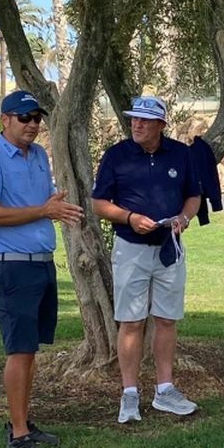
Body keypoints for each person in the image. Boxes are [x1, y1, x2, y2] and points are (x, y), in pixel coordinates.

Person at [0, 90, 81, 448]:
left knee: (30, 350)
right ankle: (18, 437)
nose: (33, 124)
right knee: (19, 351)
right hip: (13, 266)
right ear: (4, 120)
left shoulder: (38, 156)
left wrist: (55, 204)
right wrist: (44, 210)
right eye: (24, 117)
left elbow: (44, 202)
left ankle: (23, 423)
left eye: (37, 117)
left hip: (41, 262)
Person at [91, 95, 202, 423]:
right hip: (131, 249)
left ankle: (164, 391)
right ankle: (129, 395)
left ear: (161, 125)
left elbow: (193, 196)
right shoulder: (117, 156)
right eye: (134, 119)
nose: (136, 124)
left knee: (166, 319)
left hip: (169, 248)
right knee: (132, 321)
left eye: (145, 120)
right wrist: (128, 218)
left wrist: (184, 217)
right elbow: (99, 203)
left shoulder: (181, 154)